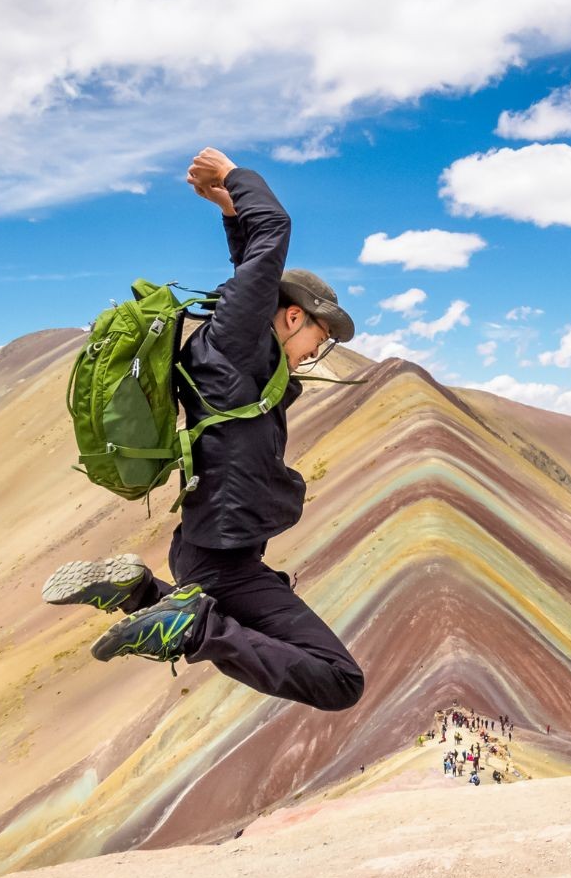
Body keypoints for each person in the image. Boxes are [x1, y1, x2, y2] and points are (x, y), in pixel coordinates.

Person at [41, 148, 364, 711]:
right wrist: (235, 177)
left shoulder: (237, 348)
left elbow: (251, 268)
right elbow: (274, 235)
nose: (320, 348)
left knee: (229, 613)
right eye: (321, 333)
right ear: (293, 317)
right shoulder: (237, 341)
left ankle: (137, 592)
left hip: (206, 547)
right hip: (223, 555)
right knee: (339, 680)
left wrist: (228, 210)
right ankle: (186, 628)